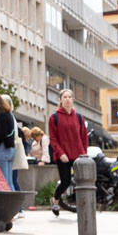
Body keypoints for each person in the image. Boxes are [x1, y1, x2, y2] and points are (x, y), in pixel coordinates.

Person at [48, 88, 88, 217]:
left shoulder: (79, 117)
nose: (67, 99)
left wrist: (84, 153)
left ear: (73, 100)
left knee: (81, 181)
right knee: (65, 181)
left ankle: (82, 205)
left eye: (69, 97)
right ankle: (55, 200)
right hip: (63, 156)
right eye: (64, 97)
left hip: (78, 155)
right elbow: (53, 139)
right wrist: (61, 153)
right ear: (60, 100)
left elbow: (83, 137)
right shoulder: (54, 117)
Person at [0, 92, 17, 194]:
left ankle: (7, 206)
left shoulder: (2, 116)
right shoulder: (9, 114)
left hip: (2, 149)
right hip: (10, 149)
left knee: (3, 181)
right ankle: (13, 205)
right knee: (9, 181)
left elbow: (0, 134)